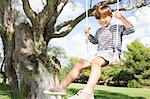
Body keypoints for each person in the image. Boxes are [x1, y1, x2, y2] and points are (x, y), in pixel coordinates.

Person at [49, 4, 134, 99]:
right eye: (99, 19)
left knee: (96, 61)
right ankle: (61, 87)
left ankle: (87, 92)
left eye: (104, 17)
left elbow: (131, 29)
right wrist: (88, 34)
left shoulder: (117, 28)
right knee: (79, 63)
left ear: (110, 16)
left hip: (111, 53)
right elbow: (94, 41)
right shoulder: (99, 31)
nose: (102, 20)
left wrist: (121, 17)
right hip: (99, 53)